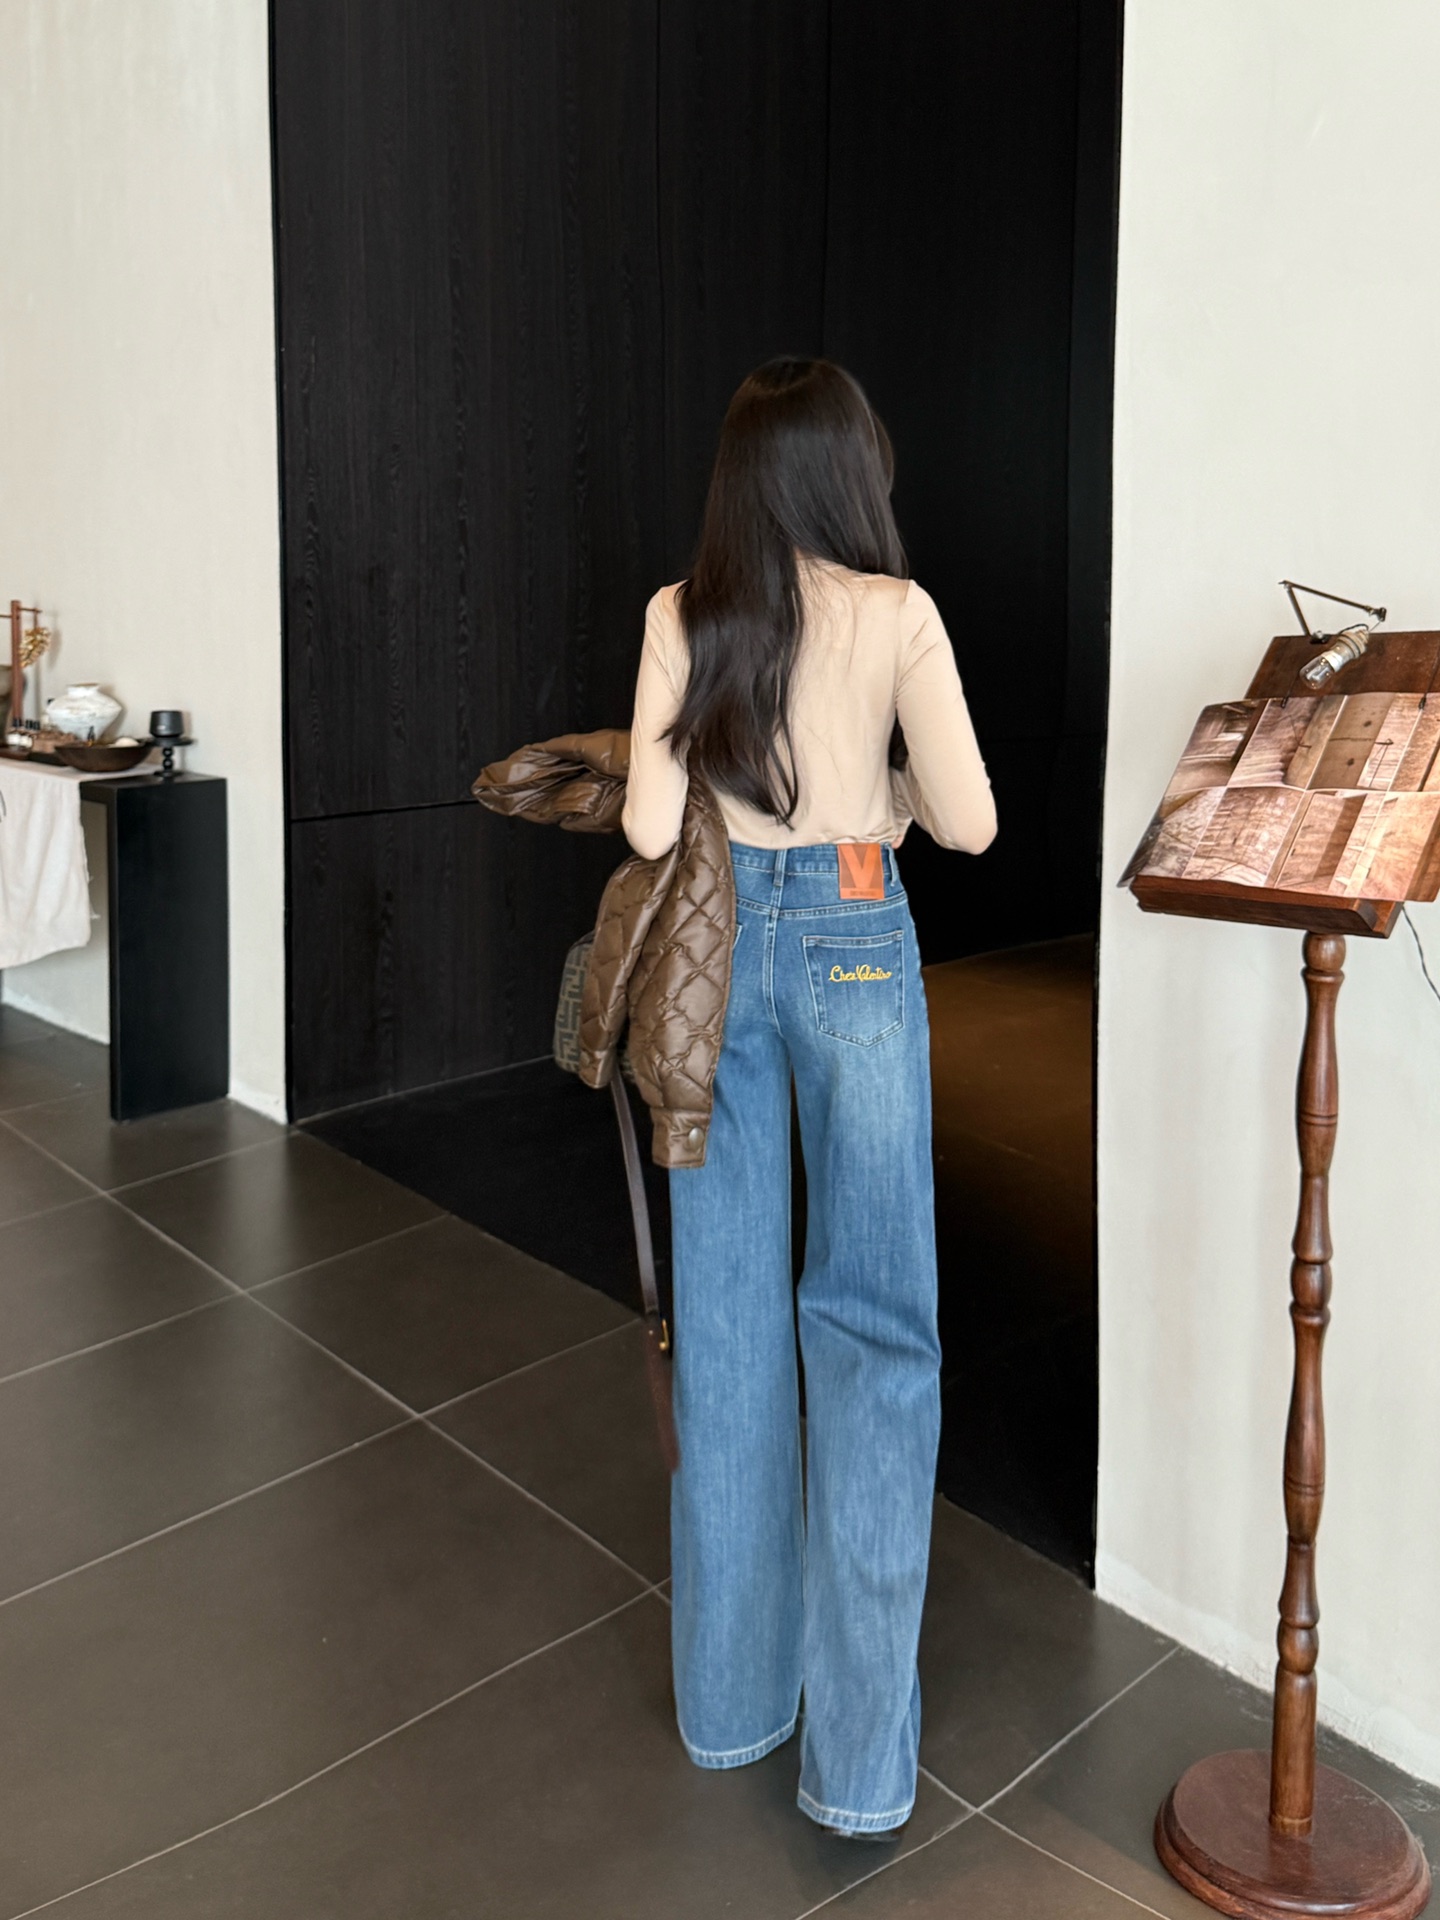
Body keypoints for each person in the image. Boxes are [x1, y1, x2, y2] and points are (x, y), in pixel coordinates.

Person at [621, 358, 996, 1840]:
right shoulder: (898, 614)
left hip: (719, 964)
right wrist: (880, 803)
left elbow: (652, 824)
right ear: (847, 470)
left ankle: (730, 1706)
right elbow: (970, 822)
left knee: (727, 1326)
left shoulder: (683, 612)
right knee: (876, 1331)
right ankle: (857, 1769)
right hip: (853, 937)